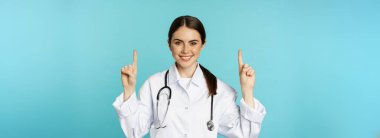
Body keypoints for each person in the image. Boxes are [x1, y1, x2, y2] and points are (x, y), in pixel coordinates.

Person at [113, 15, 266, 138]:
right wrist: (128, 91)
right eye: (178, 42)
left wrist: (247, 91)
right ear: (169, 45)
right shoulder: (153, 85)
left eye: (193, 43)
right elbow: (134, 132)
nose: (186, 50)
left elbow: (246, 135)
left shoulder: (220, 90)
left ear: (203, 45)